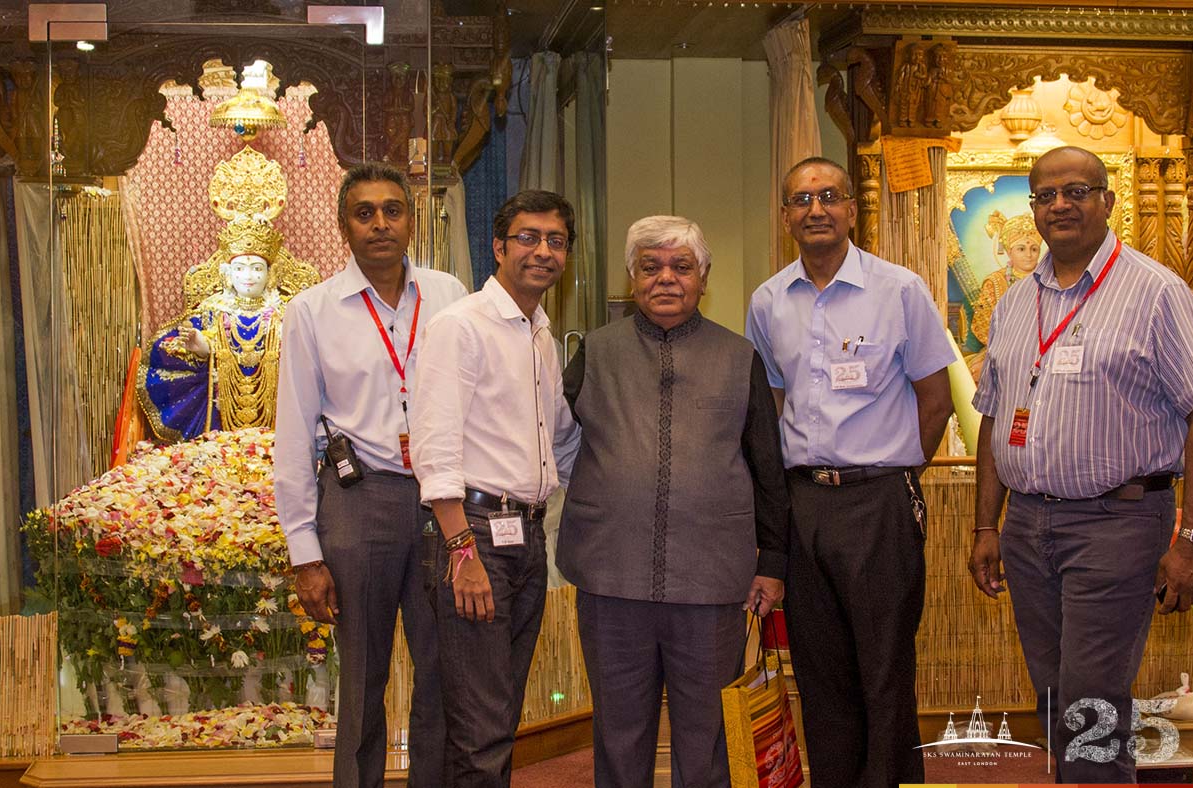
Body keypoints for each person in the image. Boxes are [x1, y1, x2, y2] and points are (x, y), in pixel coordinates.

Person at [969, 145, 1193, 783]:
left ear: (1108, 200)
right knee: (1053, 699)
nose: (1061, 205)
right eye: (1046, 195)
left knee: (1092, 702)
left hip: (1117, 523)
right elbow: (994, 415)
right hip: (1027, 527)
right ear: (1034, 210)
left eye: (1077, 191)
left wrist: (1191, 539)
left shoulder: (1156, 292)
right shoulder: (1017, 301)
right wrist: (987, 527)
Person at [557, 216, 790, 788]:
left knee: (706, 737)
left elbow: (768, 469)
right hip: (611, 580)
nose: (666, 278)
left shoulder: (740, 358)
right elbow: (553, 444)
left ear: (703, 278)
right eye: (651, 266)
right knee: (618, 734)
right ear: (633, 276)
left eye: (681, 267)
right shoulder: (594, 352)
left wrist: (773, 564)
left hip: (711, 583)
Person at [746, 156, 955, 788]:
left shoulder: (900, 290)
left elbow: (936, 397)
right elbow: (772, 403)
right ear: (785, 216)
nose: (816, 209)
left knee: (884, 667)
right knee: (820, 669)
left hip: (879, 502)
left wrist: (897, 476)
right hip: (802, 503)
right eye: (801, 200)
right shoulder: (768, 301)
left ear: (850, 210)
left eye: (829, 196)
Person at [274, 162, 467, 788]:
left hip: (445, 504)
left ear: (411, 220)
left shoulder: (450, 295)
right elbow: (294, 434)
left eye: (393, 210)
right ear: (343, 226)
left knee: (444, 669)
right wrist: (305, 552)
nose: (380, 224)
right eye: (365, 212)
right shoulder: (312, 311)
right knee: (362, 676)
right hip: (361, 503)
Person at [409, 189, 581, 788]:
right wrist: (462, 554)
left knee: (498, 717)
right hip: (474, 537)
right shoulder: (461, 326)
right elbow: (434, 448)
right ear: (499, 246)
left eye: (555, 241)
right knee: (480, 729)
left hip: (526, 537)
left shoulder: (539, 332)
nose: (542, 251)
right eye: (528, 238)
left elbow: (557, 439)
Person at [139, 216, 314, 441]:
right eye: (240, 268)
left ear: (271, 274)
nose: (248, 276)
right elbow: (169, 351)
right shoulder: (210, 310)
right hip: (219, 420)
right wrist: (203, 349)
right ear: (228, 273)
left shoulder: (289, 311)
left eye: (257, 268)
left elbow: (308, 356)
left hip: (279, 422)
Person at [968, 211, 1042, 380]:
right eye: (1021, 249)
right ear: (1009, 252)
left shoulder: (1050, 280)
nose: (1028, 254)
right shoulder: (994, 282)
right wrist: (1011, 348)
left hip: (1043, 351)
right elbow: (983, 326)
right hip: (1001, 351)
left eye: (1034, 249)